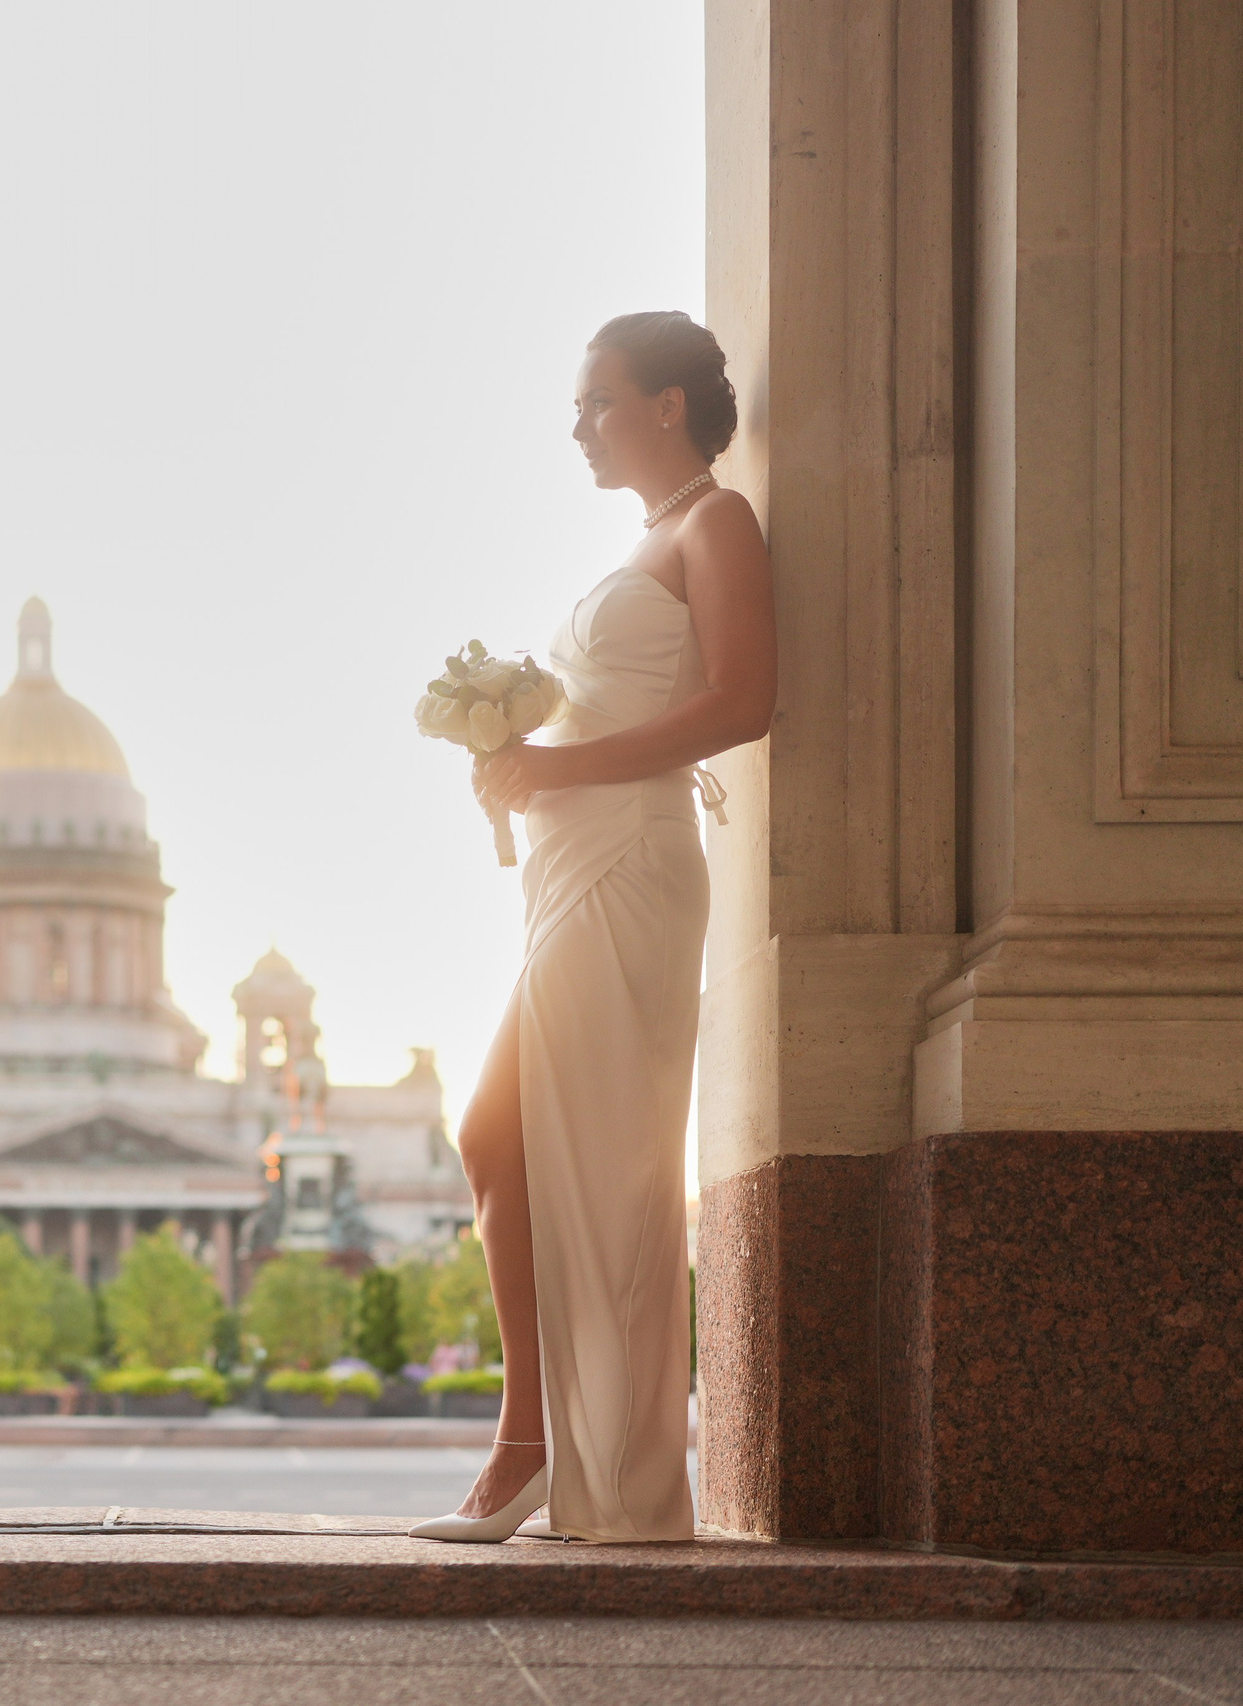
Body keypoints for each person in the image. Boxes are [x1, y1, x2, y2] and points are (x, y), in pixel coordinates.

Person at [410, 312, 775, 1544]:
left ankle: (587, 1465)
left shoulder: (716, 523)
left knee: (596, 1158)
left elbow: (743, 698)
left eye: (596, 401)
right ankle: (538, 1439)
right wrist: (515, 760)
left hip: (628, 863)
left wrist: (558, 773)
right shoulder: (647, 538)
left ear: (666, 405)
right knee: (498, 1139)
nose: (577, 426)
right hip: (566, 867)